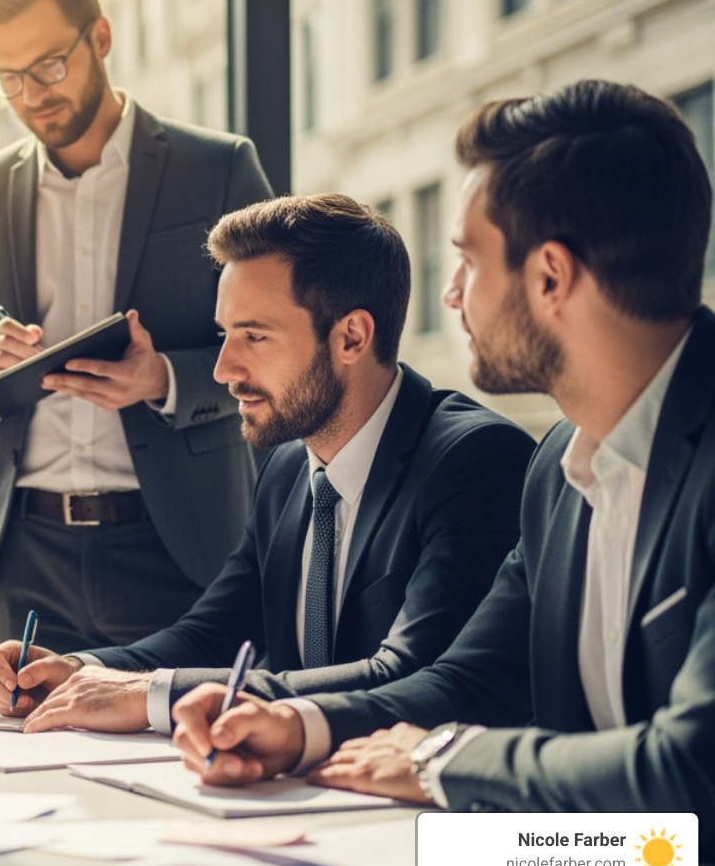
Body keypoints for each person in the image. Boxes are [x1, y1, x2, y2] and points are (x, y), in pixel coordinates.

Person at [172, 79, 715, 819]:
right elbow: (471, 680)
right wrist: (300, 727)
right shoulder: (558, 470)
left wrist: (444, 760)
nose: (452, 294)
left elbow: (694, 767)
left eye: (469, 261)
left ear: (550, 276)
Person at [0, 194, 535, 734]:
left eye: (254, 335)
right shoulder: (288, 468)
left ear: (352, 336)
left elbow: (414, 675)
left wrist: (154, 696)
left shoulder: (475, 462)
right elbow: (214, 631)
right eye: (225, 334)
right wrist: (82, 671)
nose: (223, 369)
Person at [0, 0, 275, 651]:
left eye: (49, 65)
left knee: (182, 749)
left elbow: (283, 340)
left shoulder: (219, 168)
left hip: (181, 545)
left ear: (101, 39)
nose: (32, 95)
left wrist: (163, 379)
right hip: (28, 554)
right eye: (9, 78)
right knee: (27, 753)